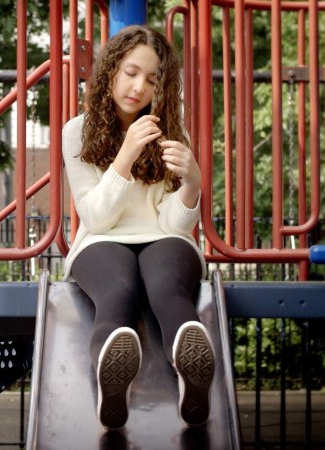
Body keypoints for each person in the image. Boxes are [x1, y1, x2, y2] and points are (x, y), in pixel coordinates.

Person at [61, 25, 215, 429]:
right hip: (101, 240)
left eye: (151, 79)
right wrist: (125, 155)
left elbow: (172, 223)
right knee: (118, 289)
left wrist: (193, 183)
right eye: (131, 72)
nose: (138, 87)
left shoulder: (171, 133)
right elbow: (96, 217)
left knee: (167, 288)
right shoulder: (76, 131)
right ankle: (112, 382)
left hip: (163, 238)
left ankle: (193, 372)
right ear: (111, 70)